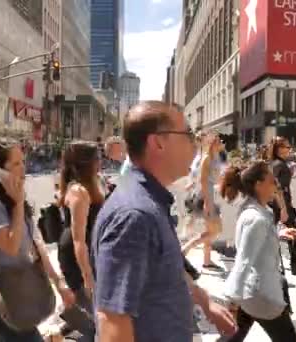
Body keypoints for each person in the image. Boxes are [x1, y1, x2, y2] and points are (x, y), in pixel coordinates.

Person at [91, 101, 236, 342]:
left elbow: (170, 266)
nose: (194, 142)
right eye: (188, 134)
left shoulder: (151, 202)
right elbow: (113, 322)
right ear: (158, 142)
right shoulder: (134, 216)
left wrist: (204, 301)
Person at [0, 137, 75, 342]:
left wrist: (58, 282)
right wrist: (18, 203)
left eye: (23, 161)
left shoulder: (13, 198)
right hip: (3, 298)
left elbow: (35, 242)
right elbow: (10, 246)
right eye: (15, 163)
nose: (23, 168)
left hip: (24, 291)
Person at [220, 163, 296, 342]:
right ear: (258, 184)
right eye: (272, 181)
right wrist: (232, 302)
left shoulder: (258, 210)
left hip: (251, 292)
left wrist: (278, 233)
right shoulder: (256, 218)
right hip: (261, 294)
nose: (276, 185)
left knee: (232, 337)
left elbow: (256, 241)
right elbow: (244, 261)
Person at [57, 141, 103, 340]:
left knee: (91, 306)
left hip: (84, 249)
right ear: (87, 163)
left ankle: (62, 331)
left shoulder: (86, 185)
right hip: (76, 253)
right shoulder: (79, 192)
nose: (100, 161)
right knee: (92, 303)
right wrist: (87, 276)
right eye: (97, 158)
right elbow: (78, 239)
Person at [181, 133, 225, 269]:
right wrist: (207, 202)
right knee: (215, 230)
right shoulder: (207, 158)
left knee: (210, 230)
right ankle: (184, 250)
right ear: (213, 143)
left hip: (211, 195)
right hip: (207, 196)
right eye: (219, 140)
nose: (222, 142)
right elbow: (203, 180)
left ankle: (207, 260)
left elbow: (215, 178)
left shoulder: (215, 157)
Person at [268, 137, 295, 227]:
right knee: (294, 235)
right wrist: (283, 208)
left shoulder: (276, 163)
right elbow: (277, 187)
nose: (289, 150)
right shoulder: (279, 164)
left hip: (279, 203)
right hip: (279, 203)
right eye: (287, 147)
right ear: (280, 149)